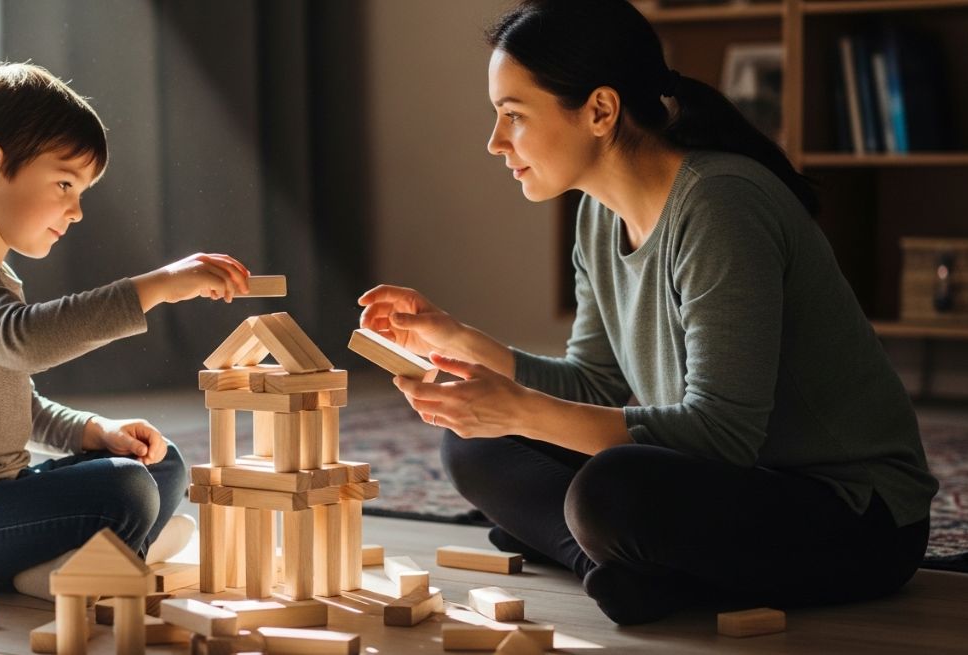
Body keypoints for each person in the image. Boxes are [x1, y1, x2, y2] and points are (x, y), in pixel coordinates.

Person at [358, 0, 937, 625]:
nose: (496, 142)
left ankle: (613, 555)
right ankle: (616, 568)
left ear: (601, 110)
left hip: (849, 514)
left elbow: (722, 435)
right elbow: (597, 385)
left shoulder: (720, 205)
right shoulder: (597, 214)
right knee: (474, 448)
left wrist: (521, 408)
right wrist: (460, 341)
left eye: (513, 116)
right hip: (719, 484)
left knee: (612, 493)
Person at [0, 62, 254, 598]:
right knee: (125, 488)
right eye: (66, 183)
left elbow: (17, 404)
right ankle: (96, 561)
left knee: (162, 466)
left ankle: (89, 559)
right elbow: (25, 341)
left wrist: (96, 432)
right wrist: (160, 284)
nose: (76, 210)